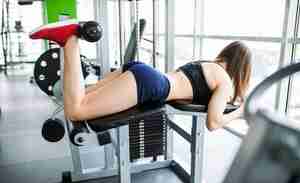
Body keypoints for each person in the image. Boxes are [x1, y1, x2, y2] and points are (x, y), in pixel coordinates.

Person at [29, 20, 252, 131]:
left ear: (227, 54)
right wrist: (240, 113)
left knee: (82, 94)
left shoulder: (205, 64)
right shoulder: (225, 82)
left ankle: (65, 40)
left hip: (143, 71)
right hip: (150, 84)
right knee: (76, 111)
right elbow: (213, 123)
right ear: (242, 70)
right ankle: (69, 39)